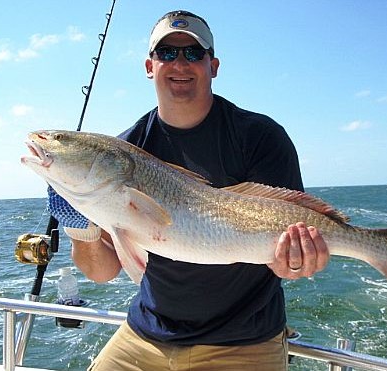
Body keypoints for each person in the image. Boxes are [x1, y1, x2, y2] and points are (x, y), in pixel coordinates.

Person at [48, 10, 330, 370]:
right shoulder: (125, 151)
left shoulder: (260, 137)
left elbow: (285, 251)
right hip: (146, 334)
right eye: (167, 53)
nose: (180, 63)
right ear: (150, 66)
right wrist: (80, 228)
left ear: (213, 65)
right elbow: (102, 272)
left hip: (243, 342)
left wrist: (294, 261)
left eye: (193, 53)